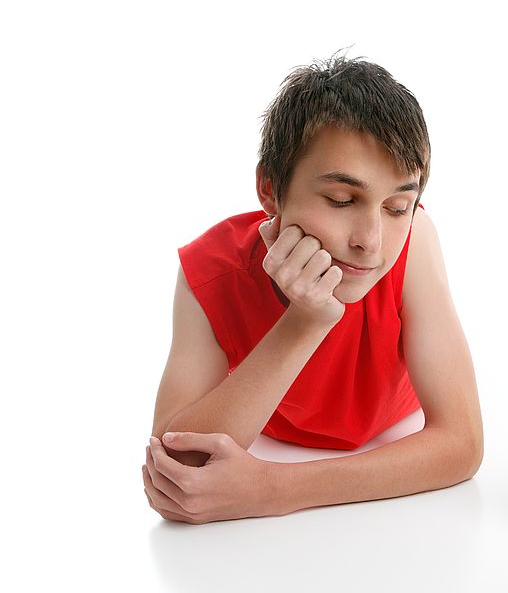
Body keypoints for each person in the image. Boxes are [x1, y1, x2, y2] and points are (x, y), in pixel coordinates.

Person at [141, 54, 483, 524]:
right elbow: (177, 471)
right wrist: (306, 319)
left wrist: (275, 487)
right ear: (269, 189)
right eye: (342, 200)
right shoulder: (209, 269)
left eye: (398, 205)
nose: (371, 242)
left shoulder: (414, 241)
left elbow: (461, 444)